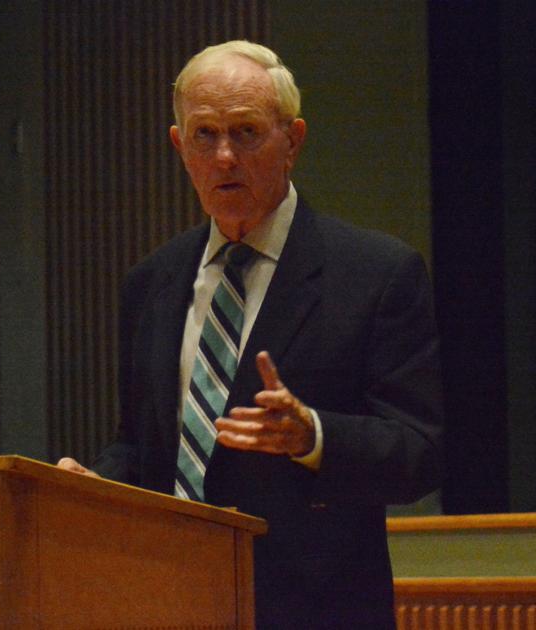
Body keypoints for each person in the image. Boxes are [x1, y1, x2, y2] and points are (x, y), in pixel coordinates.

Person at [58, 40, 443, 629]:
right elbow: (143, 445)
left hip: (314, 609)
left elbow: (420, 453)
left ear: (293, 140)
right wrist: (97, 486)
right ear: (178, 146)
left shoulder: (377, 274)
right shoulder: (150, 281)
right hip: (168, 601)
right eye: (205, 135)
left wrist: (311, 434)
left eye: (246, 132)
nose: (225, 158)